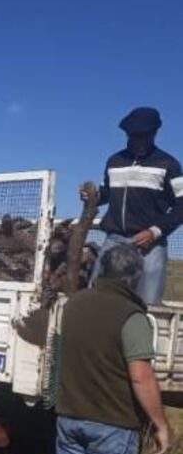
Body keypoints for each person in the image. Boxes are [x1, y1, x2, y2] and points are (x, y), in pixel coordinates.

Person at [50, 244, 173, 454]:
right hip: (112, 426)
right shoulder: (132, 317)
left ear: (102, 269)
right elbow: (141, 375)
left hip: (69, 419)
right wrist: (161, 425)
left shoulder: (73, 305)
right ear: (135, 277)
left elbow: (60, 356)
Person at [81, 107, 183, 305]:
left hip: (151, 244)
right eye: (135, 136)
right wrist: (92, 196)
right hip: (115, 239)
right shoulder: (115, 161)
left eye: (145, 135)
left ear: (154, 133)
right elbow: (107, 193)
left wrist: (155, 232)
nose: (140, 140)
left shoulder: (168, 164)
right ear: (128, 134)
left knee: (148, 303)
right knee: (97, 295)